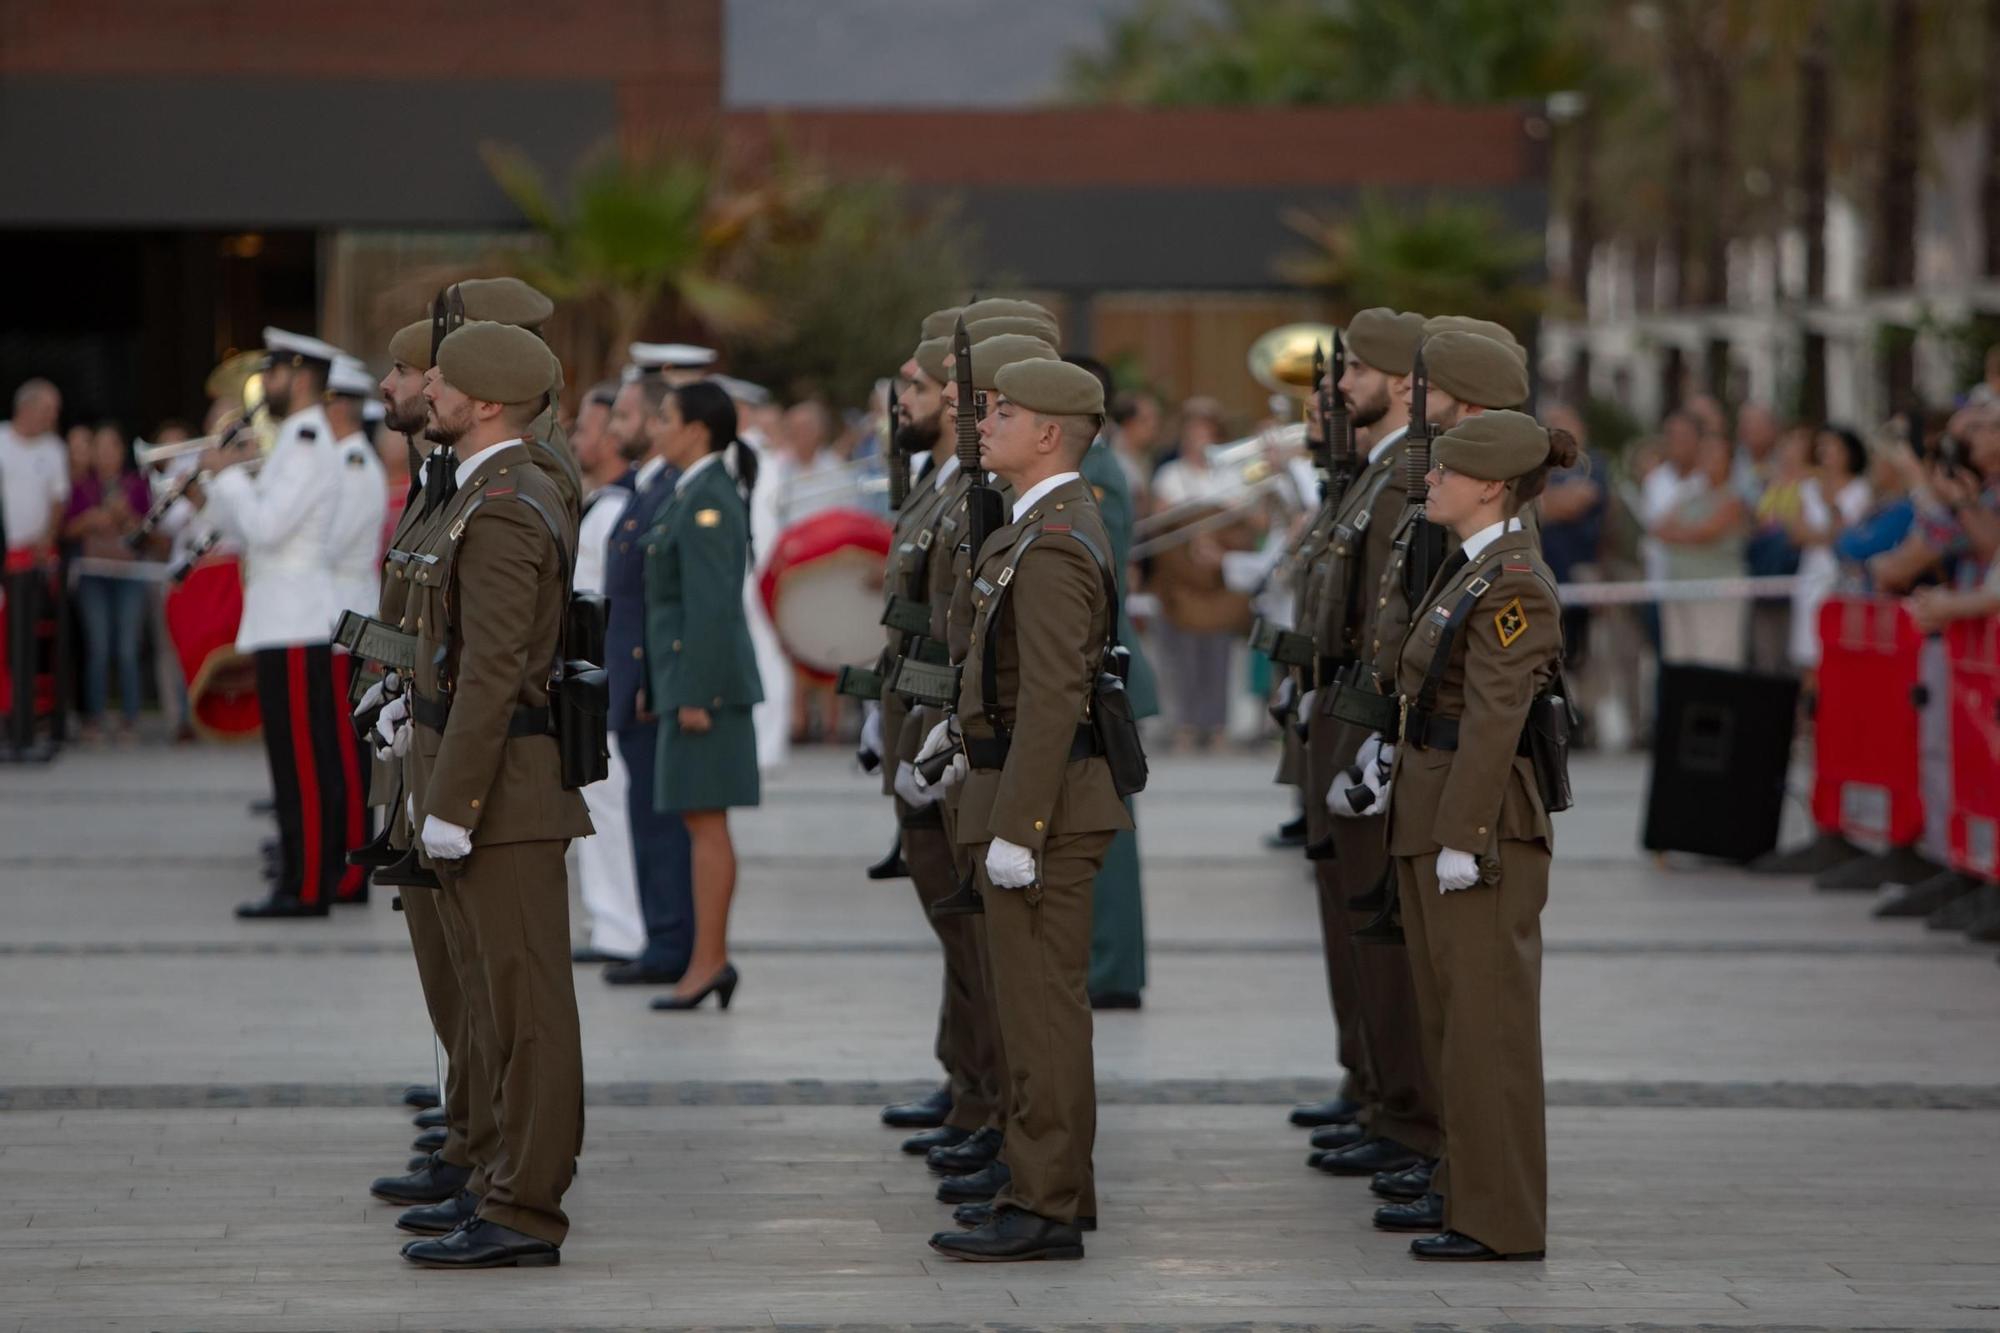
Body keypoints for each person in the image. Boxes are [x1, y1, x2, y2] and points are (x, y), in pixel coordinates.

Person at [392, 319, 591, 1269]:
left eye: (446, 379)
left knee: (527, 1008)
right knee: (492, 999)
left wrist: (453, 803)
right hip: (478, 783)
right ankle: (496, 1181)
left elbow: (495, 672)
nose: (429, 388)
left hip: (503, 793)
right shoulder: (482, 493)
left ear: (489, 403)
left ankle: (525, 1208)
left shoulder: (507, 506)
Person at [1313, 324, 1526, 1198]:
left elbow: (1479, 685)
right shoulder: (1413, 483)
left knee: (1437, 975)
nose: (1394, 389)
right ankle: (1398, 1106)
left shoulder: (1475, 529)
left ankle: (1424, 1128)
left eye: (1412, 380)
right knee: (1378, 936)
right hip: (1378, 730)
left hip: (1432, 764)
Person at [927, 357, 1131, 1264]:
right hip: (1024, 793)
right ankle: (1055, 1186)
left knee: (1041, 1015)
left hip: (1043, 809)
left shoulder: (1052, 541)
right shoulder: (1038, 524)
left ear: (1050, 432)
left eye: (1004, 412)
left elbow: (1052, 698)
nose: (986, 423)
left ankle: (1044, 1204)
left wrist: (1019, 827)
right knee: (1038, 1010)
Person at [1382, 409, 1574, 1262]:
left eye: (1447, 470)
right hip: (1437, 808)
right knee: (1452, 1023)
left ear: (1492, 486)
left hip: (1480, 823)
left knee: (1487, 1029)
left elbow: (1495, 722)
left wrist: (1465, 834)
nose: (1431, 479)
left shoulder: (1514, 578)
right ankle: (1467, 1192)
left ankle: (1501, 1220)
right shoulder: (1473, 565)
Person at [1280, 307, 1424, 1136]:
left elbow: (1388, 623)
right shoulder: (1368, 475)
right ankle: (1370, 1081)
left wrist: (1370, 735)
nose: (1337, 389)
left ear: (1403, 384)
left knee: (1377, 924)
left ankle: (1400, 1104)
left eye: (1354, 373)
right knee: (1347, 916)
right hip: (1333, 711)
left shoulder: (1404, 477)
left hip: (1362, 718)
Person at [200, 329, 352, 919]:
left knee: (304, 763)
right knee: (289, 761)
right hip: (279, 618)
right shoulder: (295, 439)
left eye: (276, 375)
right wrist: (219, 478)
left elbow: (266, 527)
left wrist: (230, 474)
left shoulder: (310, 443)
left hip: (295, 619)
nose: (267, 388)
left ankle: (310, 885)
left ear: (300, 376)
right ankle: (298, 877)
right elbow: (243, 529)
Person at [641, 380, 764, 1011]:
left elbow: (712, 607)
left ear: (696, 430)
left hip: (706, 690)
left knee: (706, 824)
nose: (654, 427)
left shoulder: (710, 496)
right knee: (698, 822)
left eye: (663, 418)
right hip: (688, 684)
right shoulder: (691, 491)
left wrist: (693, 693)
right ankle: (706, 959)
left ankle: (710, 961)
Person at [598, 371, 697, 987]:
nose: (618, 428)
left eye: (629, 416)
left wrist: (654, 680)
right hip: (634, 677)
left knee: (661, 822)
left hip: (650, 684)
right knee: (645, 815)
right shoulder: (644, 487)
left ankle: (671, 944)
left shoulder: (675, 492)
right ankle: (660, 936)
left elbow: (676, 600)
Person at [1068, 354, 1159, 1012]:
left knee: (1109, 831)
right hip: (1097, 666)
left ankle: (1113, 965)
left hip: (1104, 671)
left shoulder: (1095, 474)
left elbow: (1098, 584)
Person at [568, 381, 647, 966]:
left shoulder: (620, 505)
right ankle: (611, 923)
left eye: (586, 427)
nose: (577, 437)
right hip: (593, 676)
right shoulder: (602, 502)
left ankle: (624, 928)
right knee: (601, 807)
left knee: (612, 810)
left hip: (608, 675)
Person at [1149, 397, 1238, 750]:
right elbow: (1158, 522)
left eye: (1206, 431)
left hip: (1218, 579)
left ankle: (1217, 725)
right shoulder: (1170, 474)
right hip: (1181, 579)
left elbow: (1246, 520)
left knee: (1218, 655)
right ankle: (1185, 722)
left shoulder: (1229, 474)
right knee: (1182, 655)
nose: (1198, 438)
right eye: (1192, 431)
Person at [62, 424, 152, 743]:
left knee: (127, 647)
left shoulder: (137, 484)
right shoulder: (80, 486)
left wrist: (126, 516)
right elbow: (66, 530)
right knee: (97, 645)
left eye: (111, 447)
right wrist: (90, 520)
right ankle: (95, 718)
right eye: (98, 448)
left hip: (129, 574)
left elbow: (150, 532)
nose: (105, 454)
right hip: (92, 575)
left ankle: (130, 719)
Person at [1654, 432, 1748, 667]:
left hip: (1716, 591)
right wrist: (1686, 533)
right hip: (1680, 587)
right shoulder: (1689, 494)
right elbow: (1659, 528)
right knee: (1679, 660)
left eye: (1715, 453)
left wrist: (1681, 534)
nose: (1708, 459)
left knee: (1715, 659)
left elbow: (1706, 532)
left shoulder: (1733, 498)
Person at [1786, 424, 1872, 672]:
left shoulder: (1862, 490)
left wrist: (1827, 525)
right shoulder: (1807, 488)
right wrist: (1828, 534)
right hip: (1811, 577)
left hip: (1847, 579)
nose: (1825, 452)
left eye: (1832, 446)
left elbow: (1847, 536)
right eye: (1822, 446)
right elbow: (1797, 533)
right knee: (1809, 658)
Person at [2, 380, 68, 555]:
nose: (54, 416)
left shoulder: (55, 448)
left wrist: (49, 536)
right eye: (48, 409)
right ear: (26, 407)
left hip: (36, 555)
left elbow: (59, 499)